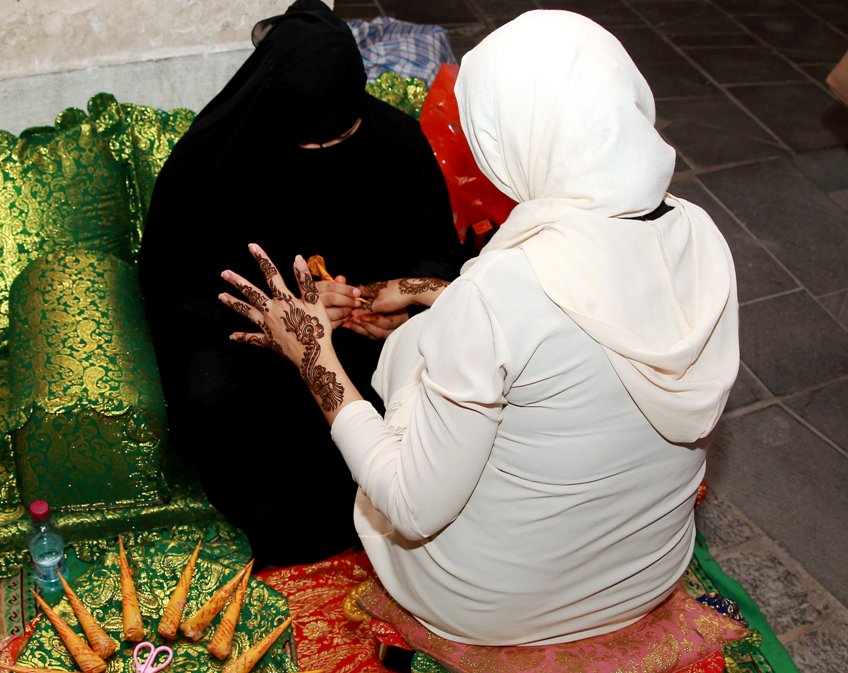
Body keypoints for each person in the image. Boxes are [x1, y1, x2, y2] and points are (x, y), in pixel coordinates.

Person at [219, 9, 740, 646]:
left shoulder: (497, 299)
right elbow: (582, 309)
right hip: (642, 577)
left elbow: (410, 507)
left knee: (399, 445)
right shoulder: (702, 236)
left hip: (494, 606)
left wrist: (315, 358)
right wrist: (422, 291)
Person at [137, 0, 465, 568]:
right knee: (213, 390)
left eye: (340, 140)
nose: (321, 156)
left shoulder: (396, 140)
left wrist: (394, 308)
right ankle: (306, 535)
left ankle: (395, 506)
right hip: (252, 347)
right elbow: (173, 293)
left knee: (446, 366)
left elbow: (440, 259)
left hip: (369, 344)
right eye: (306, 145)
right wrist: (277, 314)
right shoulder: (213, 158)